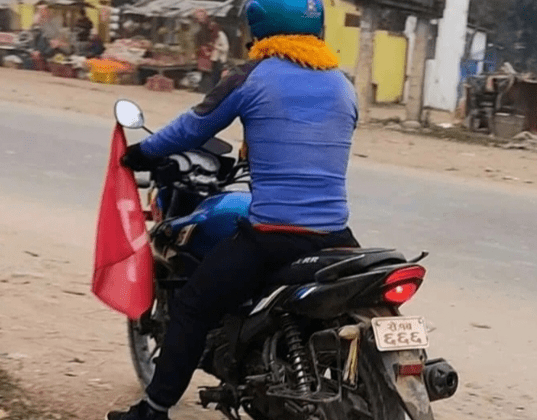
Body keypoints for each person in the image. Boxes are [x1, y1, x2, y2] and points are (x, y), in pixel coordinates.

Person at [106, 0, 359, 418]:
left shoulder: (252, 75)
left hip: (273, 237)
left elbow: (193, 127)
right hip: (337, 237)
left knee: (192, 306)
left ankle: (154, 409)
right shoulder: (342, 84)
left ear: (259, 30)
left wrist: (142, 153)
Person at [193, 8, 219, 93]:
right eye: (198, 16)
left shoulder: (212, 25)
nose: (199, 18)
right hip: (202, 50)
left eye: (201, 16)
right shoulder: (199, 26)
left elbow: (215, 38)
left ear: (205, 16)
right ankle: (203, 88)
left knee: (209, 70)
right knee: (203, 70)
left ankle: (209, 89)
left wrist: (210, 49)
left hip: (210, 50)